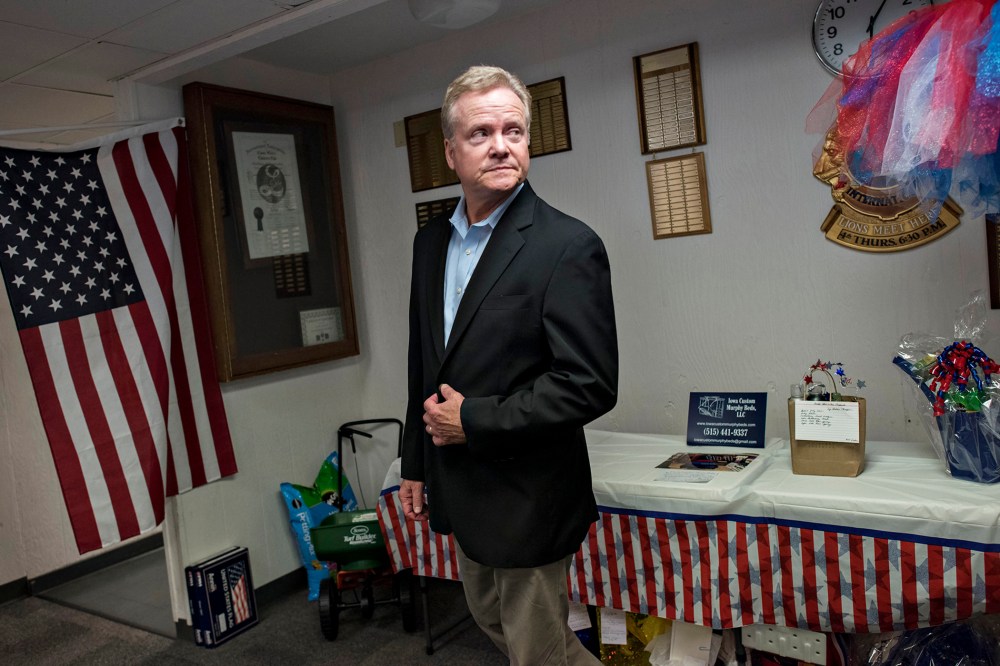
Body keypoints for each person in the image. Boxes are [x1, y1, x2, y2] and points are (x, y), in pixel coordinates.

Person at [399, 64, 618, 665]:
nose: (501, 145)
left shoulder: (567, 245)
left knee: (537, 649)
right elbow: (426, 360)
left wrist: (477, 420)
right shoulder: (430, 244)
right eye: (480, 133)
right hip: (459, 482)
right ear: (450, 151)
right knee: (490, 618)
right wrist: (413, 462)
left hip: (530, 489)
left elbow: (590, 385)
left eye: (514, 130)